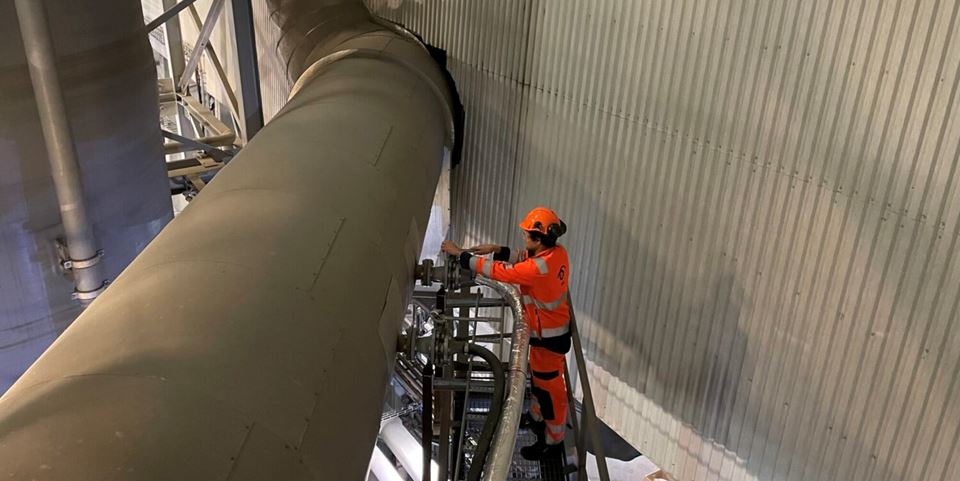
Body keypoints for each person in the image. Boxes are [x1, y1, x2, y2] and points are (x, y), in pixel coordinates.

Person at [441, 207, 571, 461]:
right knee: (540, 382)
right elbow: (523, 258)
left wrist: (461, 255)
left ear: (538, 238)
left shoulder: (536, 269)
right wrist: (496, 248)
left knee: (549, 391)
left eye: (526, 235)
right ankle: (535, 417)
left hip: (548, 338)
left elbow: (503, 272)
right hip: (549, 333)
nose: (523, 239)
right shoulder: (557, 253)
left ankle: (552, 442)